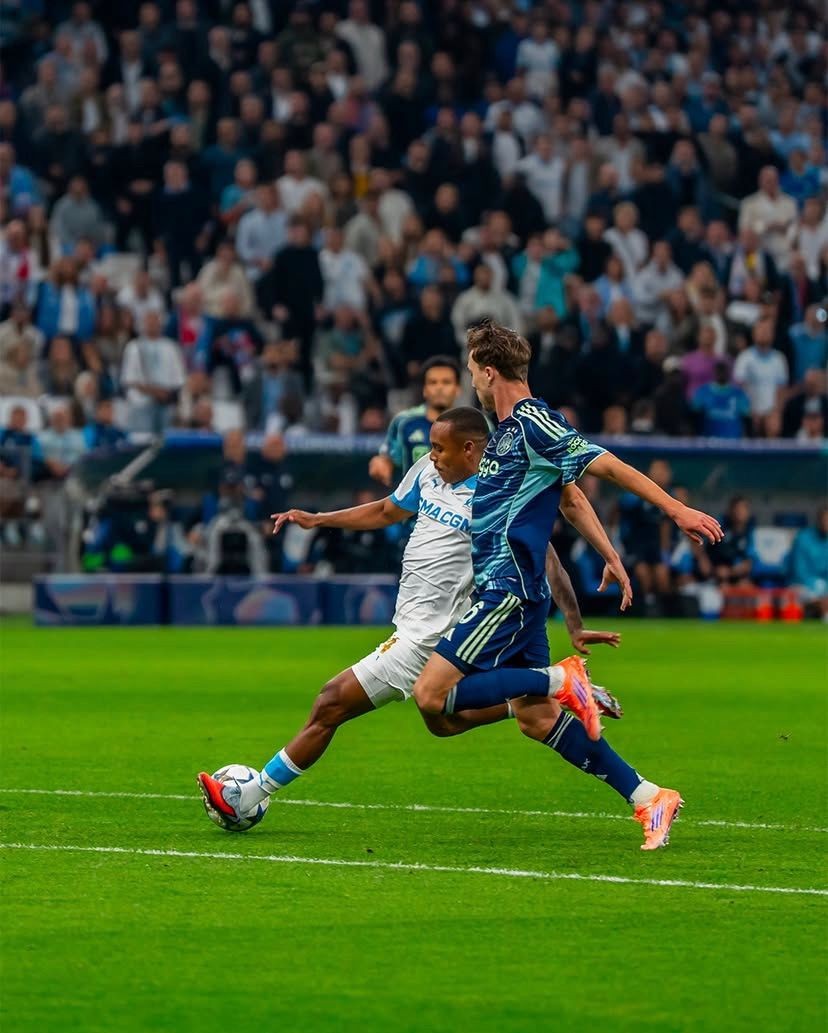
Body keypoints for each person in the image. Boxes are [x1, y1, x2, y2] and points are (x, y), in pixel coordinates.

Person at [198, 406, 630, 829]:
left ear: (472, 450)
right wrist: (319, 519)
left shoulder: (499, 492)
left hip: (437, 637)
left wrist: (573, 621)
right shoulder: (428, 470)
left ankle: (246, 795)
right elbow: (387, 510)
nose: (431, 455)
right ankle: (542, 699)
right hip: (414, 626)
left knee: (331, 703)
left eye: (440, 448)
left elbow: (545, 557)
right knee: (445, 723)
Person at [409, 321, 723, 849]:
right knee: (536, 720)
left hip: (506, 590)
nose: (472, 385)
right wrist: (609, 554)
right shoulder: (508, 432)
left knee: (431, 696)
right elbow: (571, 499)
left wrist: (675, 509)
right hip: (520, 593)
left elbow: (606, 465)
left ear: (489, 372)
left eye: (472, 374)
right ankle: (648, 797)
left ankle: (558, 678)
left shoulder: (533, 422)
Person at [368, 355, 462, 486]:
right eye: (433, 382)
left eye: (446, 382)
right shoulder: (404, 422)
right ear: (424, 389)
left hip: (458, 503)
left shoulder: (477, 424)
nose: (439, 387)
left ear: (458, 389)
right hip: (413, 504)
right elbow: (387, 457)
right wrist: (381, 464)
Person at [789, 508, 828, 621]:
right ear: (819, 520)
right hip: (802, 586)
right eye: (825, 519)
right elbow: (799, 571)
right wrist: (818, 590)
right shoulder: (803, 538)